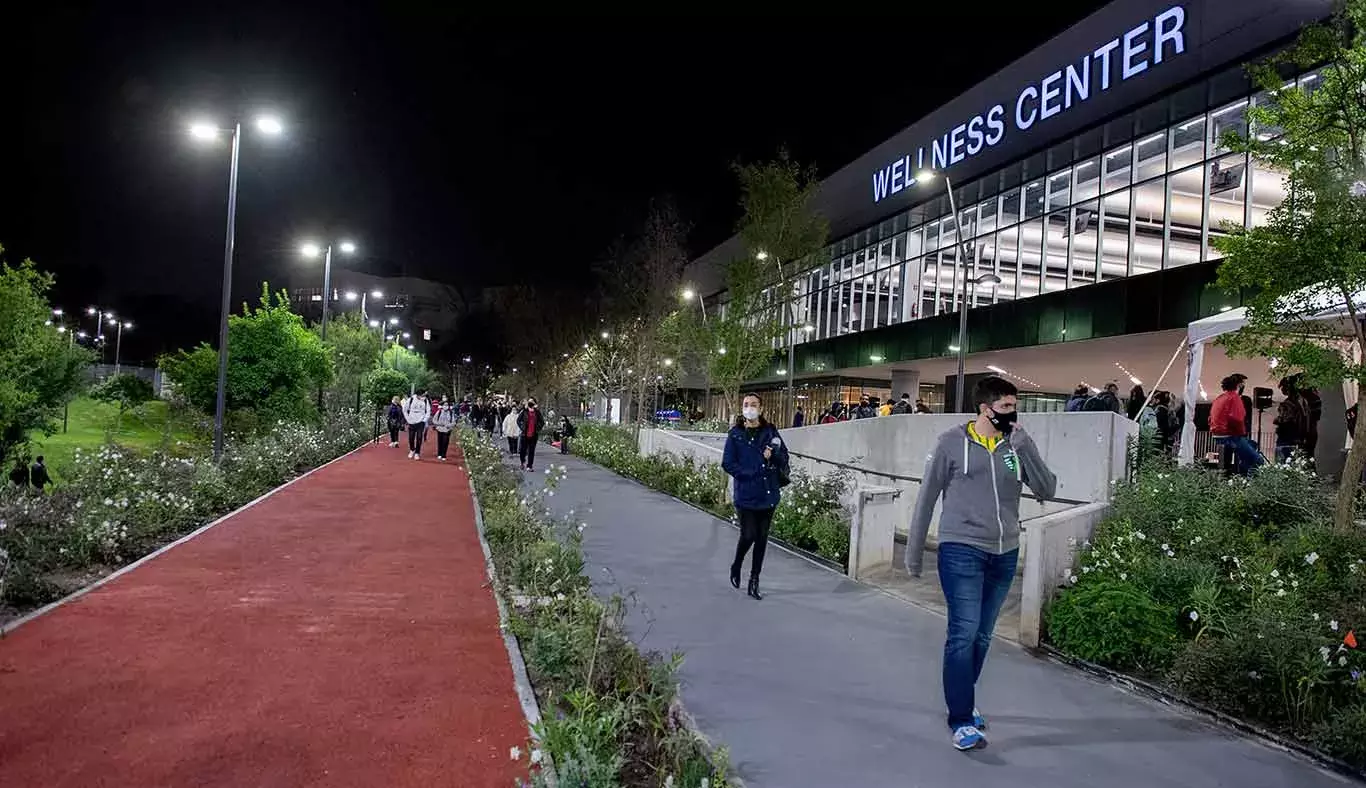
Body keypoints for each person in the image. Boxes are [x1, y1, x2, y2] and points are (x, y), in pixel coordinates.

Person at [904, 376, 1056, 752]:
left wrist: (1025, 447)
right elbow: (927, 497)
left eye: (1014, 406)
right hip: (961, 548)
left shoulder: (1014, 444)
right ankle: (960, 719)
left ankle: (964, 702)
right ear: (984, 408)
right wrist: (914, 551)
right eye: (1005, 406)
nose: (1012, 412)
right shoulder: (951, 443)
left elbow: (1046, 489)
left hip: (1004, 552)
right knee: (964, 631)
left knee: (984, 634)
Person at [721, 392, 790, 601]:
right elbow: (728, 463)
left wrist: (774, 455)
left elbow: (784, 456)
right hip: (746, 494)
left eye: (753, 404)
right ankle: (736, 565)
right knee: (748, 534)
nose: (749, 408)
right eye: (746, 404)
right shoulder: (735, 434)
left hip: (768, 493)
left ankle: (754, 579)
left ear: (760, 409)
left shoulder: (770, 431)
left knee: (761, 539)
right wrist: (748, 474)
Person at [1210, 374, 1263, 475]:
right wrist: (1241, 433)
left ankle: (1224, 482)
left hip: (1219, 436)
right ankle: (1245, 483)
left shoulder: (1219, 398)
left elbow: (1211, 417)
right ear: (1239, 385)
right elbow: (1237, 419)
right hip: (1231, 436)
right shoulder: (1234, 398)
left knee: (1223, 464)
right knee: (1257, 461)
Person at [1273, 377, 1310, 463]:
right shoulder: (1303, 402)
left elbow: (1284, 419)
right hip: (1299, 439)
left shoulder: (1288, 404)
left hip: (1286, 439)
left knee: (1283, 463)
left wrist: (1277, 420)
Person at [518, 398, 546, 471]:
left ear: (535, 403)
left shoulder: (537, 412)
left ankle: (529, 466)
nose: (530, 403)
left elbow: (542, 422)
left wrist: (537, 429)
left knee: (531, 451)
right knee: (523, 450)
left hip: (534, 434)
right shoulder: (524, 411)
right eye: (529, 401)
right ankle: (522, 462)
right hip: (525, 434)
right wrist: (522, 428)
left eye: (532, 402)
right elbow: (518, 420)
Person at [403, 389, 431, 460]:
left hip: (421, 422)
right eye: (423, 395)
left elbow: (428, 411)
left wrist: (424, 420)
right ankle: (412, 449)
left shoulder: (425, 401)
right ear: (418, 395)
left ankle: (417, 453)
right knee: (411, 438)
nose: (424, 397)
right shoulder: (411, 399)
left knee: (419, 437)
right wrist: (408, 419)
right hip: (411, 422)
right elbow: (405, 410)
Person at [431, 395, 457, 461]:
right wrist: (439, 424)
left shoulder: (451, 413)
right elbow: (434, 420)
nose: (445, 406)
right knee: (440, 441)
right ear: (442, 406)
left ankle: (444, 454)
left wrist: (449, 425)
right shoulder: (439, 412)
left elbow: (454, 422)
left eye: (447, 405)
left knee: (445, 442)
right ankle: (439, 453)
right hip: (440, 429)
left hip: (447, 429)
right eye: (444, 405)